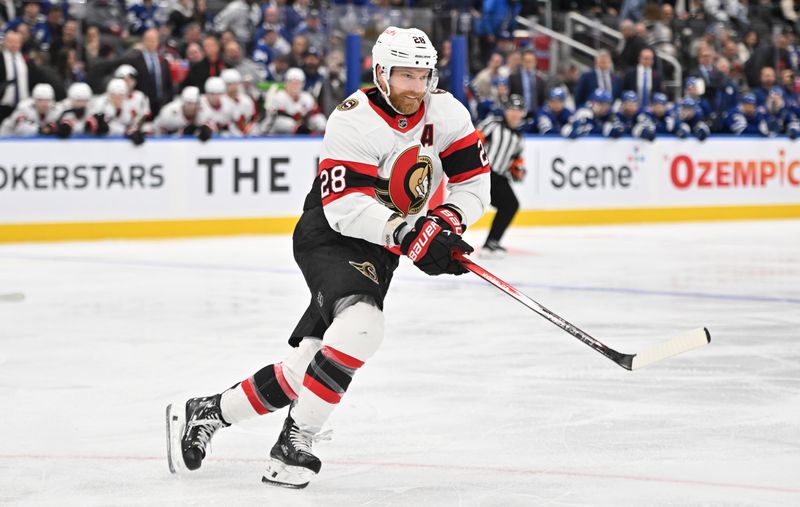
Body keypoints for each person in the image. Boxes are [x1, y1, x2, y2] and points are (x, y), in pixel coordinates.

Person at [166, 26, 490, 489]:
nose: (416, 89)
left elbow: (476, 183)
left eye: (423, 77)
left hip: (383, 244)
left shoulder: (447, 112)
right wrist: (410, 232)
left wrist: (447, 222)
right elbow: (345, 208)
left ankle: (209, 412)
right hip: (332, 232)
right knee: (363, 326)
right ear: (381, 73)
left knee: (314, 362)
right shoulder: (353, 118)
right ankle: (294, 444)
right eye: (405, 77)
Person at [476, 94, 526, 256]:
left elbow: (516, 163)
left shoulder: (518, 138)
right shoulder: (493, 124)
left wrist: (518, 172)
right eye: (511, 109)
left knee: (510, 205)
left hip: (499, 178)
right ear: (505, 110)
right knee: (473, 207)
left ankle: (492, 243)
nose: (514, 113)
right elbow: (474, 140)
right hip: (484, 174)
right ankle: (491, 243)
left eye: (518, 110)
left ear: (523, 114)